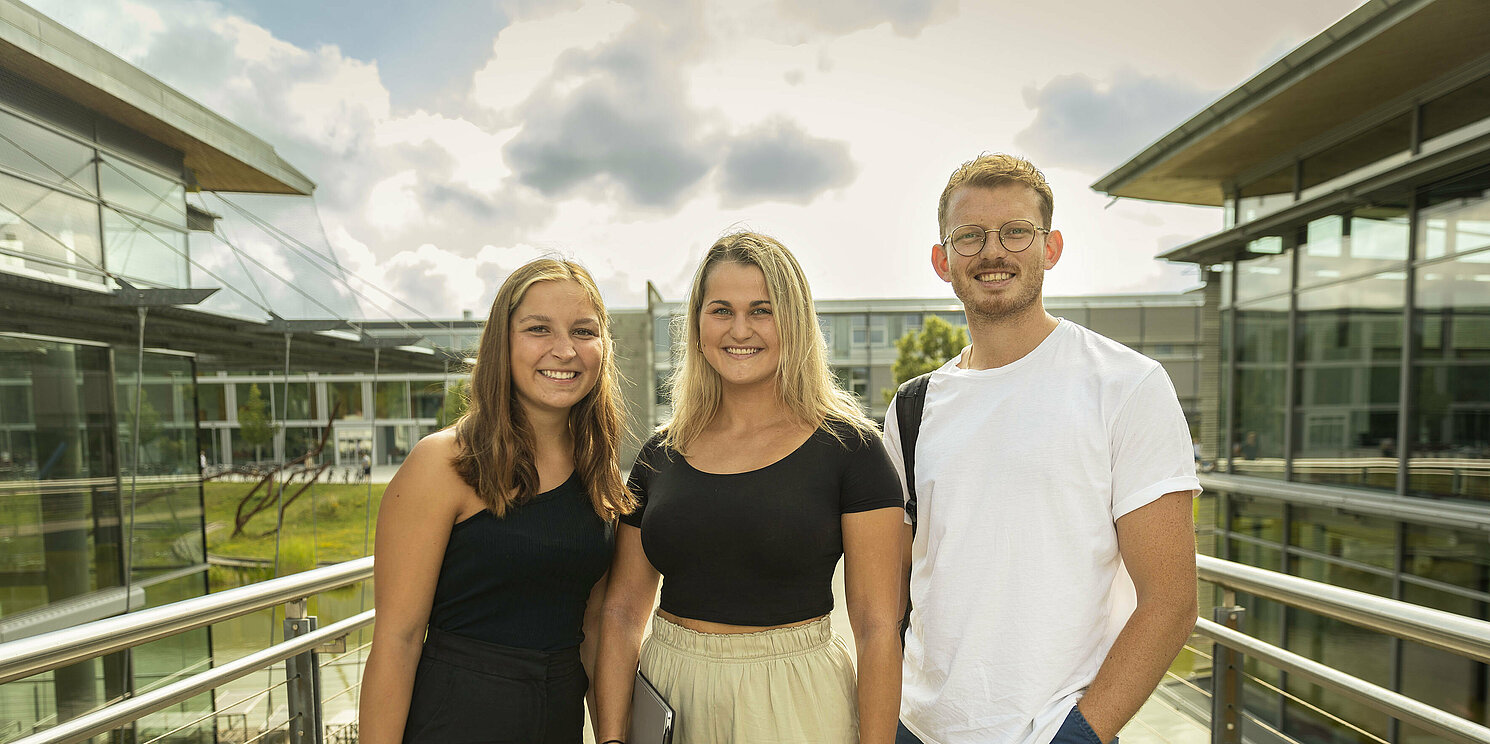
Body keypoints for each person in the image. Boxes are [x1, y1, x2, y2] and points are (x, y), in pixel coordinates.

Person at [887, 154, 1200, 744]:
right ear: (942, 260)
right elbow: (893, 591)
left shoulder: (1126, 385)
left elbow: (1171, 601)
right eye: (970, 237)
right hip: (918, 729)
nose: (993, 252)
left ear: (1050, 247)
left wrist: (1078, 737)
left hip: (1051, 731)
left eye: (1015, 233)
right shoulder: (912, 407)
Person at [594, 232, 905, 744]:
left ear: (795, 322)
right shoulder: (659, 454)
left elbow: (876, 628)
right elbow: (624, 611)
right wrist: (610, 736)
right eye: (721, 310)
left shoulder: (852, 448)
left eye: (762, 310)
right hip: (668, 688)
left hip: (795, 699)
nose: (740, 329)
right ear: (697, 325)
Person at [358, 258, 633, 744]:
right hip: (457, 721)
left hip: (558, 721)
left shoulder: (598, 470)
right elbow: (397, 643)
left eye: (584, 331)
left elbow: (592, 628)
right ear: (501, 344)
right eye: (538, 329)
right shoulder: (442, 463)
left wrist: (613, 736)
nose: (565, 350)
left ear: (603, 348)